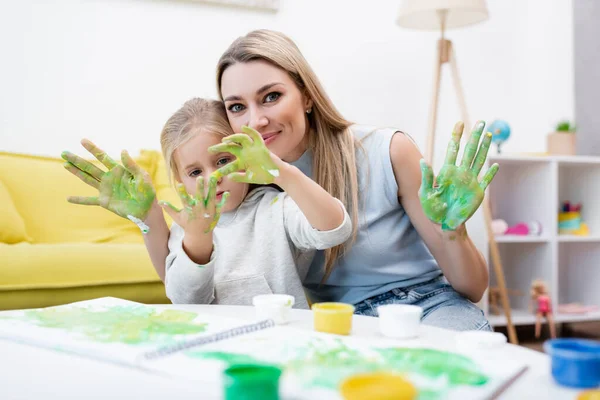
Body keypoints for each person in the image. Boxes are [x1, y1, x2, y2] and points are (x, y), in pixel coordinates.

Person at [64, 30, 498, 331]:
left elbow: (473, 287)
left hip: (425, 306)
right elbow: (187, 280)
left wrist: (453, 233)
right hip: (336, 323)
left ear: (306, 94)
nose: (257, 119)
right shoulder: (246, 185)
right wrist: (149, 218)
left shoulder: (387, 151)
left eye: (271, 96)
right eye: (237, 106)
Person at [62, 98, 352, 308]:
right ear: (180, 182)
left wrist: (282, 172)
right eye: (195, 172)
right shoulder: (187, 228)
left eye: (223, 161)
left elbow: (335, 230)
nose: (212, 178)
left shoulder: (276, 207)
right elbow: (185, 301)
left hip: (281, 341)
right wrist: (197, 239)